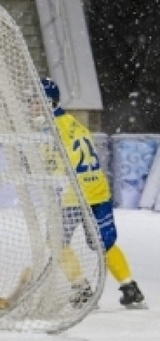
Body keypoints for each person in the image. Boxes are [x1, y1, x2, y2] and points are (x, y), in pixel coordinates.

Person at [40, 78, 146, 309]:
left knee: (56, 241)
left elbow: (52, 169)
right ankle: (130, 286)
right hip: (97, 190)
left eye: (34, 101)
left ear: (47, 102)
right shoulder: (74, 123)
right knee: (103, 243)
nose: (30, 106)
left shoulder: (50, 131)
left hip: (74, 194)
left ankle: (81, 289)